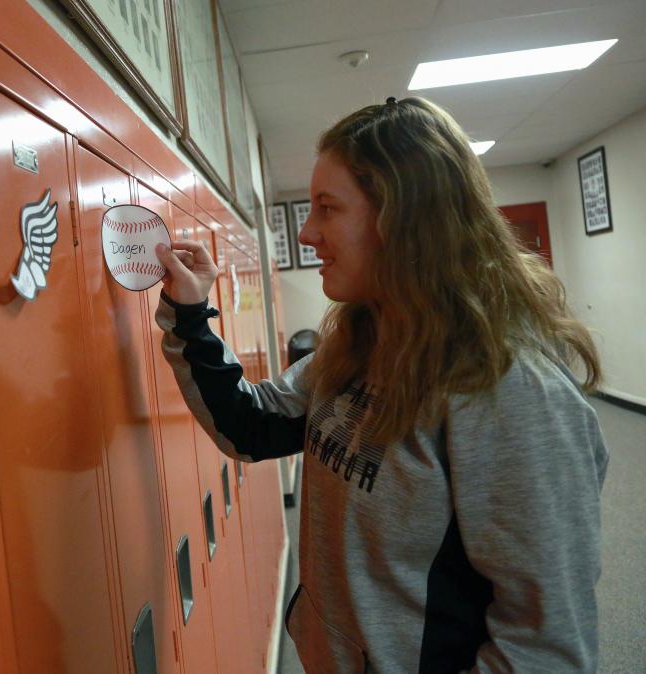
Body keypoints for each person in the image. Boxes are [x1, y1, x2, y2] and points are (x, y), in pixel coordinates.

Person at [153, 96, 609, 673]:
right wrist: (190, 316)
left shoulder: (508, 390)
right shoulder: (359, 345)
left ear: (404, 219)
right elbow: (251, 425)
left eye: (327, 207)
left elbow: (546, 649)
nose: (309, 232)